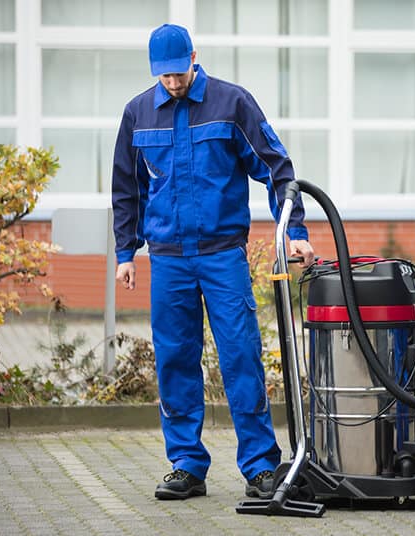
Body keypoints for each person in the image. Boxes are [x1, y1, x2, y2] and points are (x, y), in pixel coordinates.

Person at [111, 23, 315, 501]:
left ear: (194, 59)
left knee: (241, 356)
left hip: (223, 255)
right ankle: (186, 464)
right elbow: (127, 188)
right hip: (167, 261)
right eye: (163, 77)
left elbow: (275, 168)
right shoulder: (138, 113)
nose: (172, 83)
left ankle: (260, 466)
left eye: (178, 73)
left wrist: (295, 231)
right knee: (176, 360)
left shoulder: (232, 103)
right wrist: (126, 252)